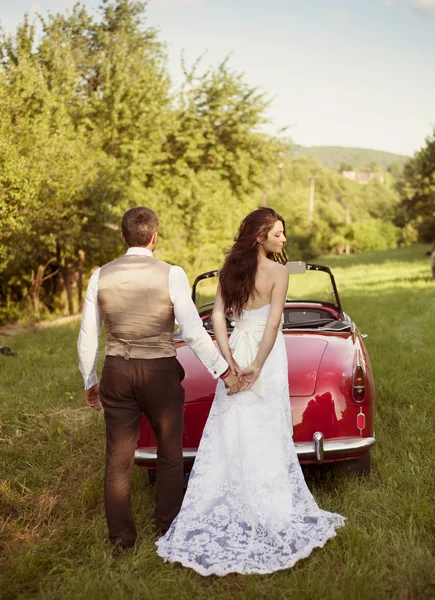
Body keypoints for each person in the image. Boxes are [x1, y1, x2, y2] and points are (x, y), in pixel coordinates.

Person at [156, 207, 346, 575]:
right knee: (266, 425)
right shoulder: (277, 272)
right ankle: (269, 505)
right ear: (260, 236)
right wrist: (258, 363)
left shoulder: (229, 270)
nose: (284, 239)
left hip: (237, 350)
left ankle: (235, 499)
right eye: (278, 233)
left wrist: (228, 360)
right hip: (266, 356)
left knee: (234, 424)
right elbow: (274, 323)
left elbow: (217, 317)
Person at [77, 206, 240, 552]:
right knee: (169, 453)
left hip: (117, 372)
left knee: (118, 459)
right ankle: (168, 531)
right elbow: (193, 332)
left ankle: (121, 541)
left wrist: (90, 380)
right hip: (160, 373)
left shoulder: (99, 275)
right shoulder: (172, 274)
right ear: (155, 238)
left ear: (122, 237)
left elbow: (88, 335)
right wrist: (222, 370)